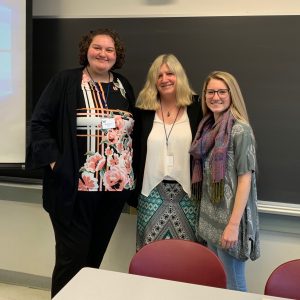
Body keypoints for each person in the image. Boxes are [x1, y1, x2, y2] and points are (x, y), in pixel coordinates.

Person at [26, 28, 135, 297]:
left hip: (112, 192)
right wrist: (56, 165)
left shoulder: (123, 86)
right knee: (71, 260)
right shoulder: (65, 82)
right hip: (73, 190)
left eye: (109, 49)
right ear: (86, 50)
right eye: (97, 47)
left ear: (116, 55)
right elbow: (39, 125)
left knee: (92, 261)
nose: (103, 54)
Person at [190, 71, 260, 291]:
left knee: (234, 285)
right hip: (211, 219)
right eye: (210, 92)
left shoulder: (241, 130)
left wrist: (232, 226)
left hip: (231, 222)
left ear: (232, 95)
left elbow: (245, 180)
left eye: (222, 91)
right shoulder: (208, 128)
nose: (215, 97)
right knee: (216, 282)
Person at [132, 54, 203, 251]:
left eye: (170, 73)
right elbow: (134, 151)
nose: (165, 79)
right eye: (159, 75)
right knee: (149, 258)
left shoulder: (198, 108)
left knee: (187, 259)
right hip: (151, 194)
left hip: (188, 196)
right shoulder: (144, 110)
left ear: (179, 76)